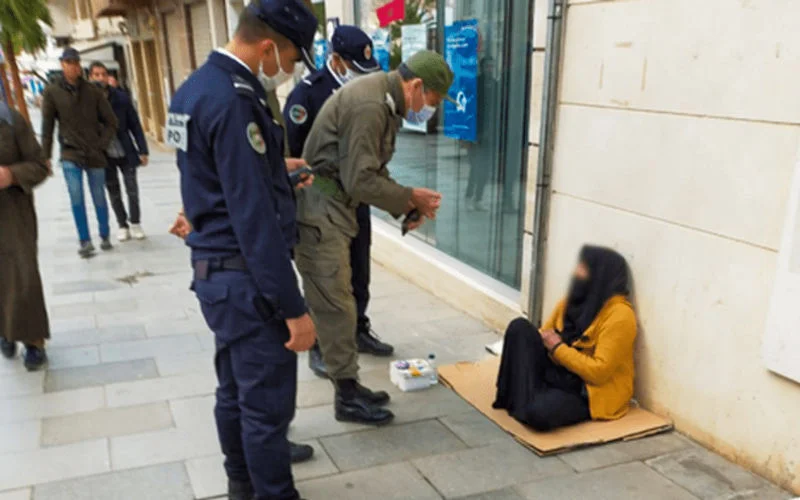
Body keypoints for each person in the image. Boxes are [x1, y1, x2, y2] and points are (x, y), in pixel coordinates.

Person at [168, 1, 318, 498]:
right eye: (293, 56)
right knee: (266, 410)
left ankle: (241, 485)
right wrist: (293, 309)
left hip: (215, 273)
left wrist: (277, 170)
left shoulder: (193, 89)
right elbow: (253, 219)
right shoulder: (235, 101)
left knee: (233, 392)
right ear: (269, 46)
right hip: (247, 280)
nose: (291, 68)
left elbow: (206, 177)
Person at [296, 50, 453, 425]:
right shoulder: (371, 105)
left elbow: (367, 173)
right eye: (431, 100)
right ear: (416, 86)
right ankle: (346, 396)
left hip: (335, 208)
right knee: (336, 305)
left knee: (342, 301)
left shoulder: (385, 101)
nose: (429, 109)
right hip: (322, 210)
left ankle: (348, 385)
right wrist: (409, 197)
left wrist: (406, 205)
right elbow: (361, 180)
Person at [283, 24, 392, 379]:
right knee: (325, 277)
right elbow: (294, 153)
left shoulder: (368, 94)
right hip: (320, 200)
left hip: (355, 195)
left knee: (358, 268)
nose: (360, 76)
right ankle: (320, 345)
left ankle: (358, 328)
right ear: (336, 61)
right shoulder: (308, 95)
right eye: (354, 68)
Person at [493, 245, 637, 431]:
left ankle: (526, 399)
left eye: (583, 268)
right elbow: (543, 337)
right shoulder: (572, 301)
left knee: (539, 413)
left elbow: (599, 373)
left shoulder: (620, 316)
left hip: (587, 390)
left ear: (600, 275)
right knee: (519, 328)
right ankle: (526, 398)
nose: (576, 272)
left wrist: (558, 348)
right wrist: (550, 346)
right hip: (559, 371)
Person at [41, 48, 119, 258]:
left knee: (99, 196)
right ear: (62, 64)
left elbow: (111, 121)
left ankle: (104, 234)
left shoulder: (93, 91)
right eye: (68, 62)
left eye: (75, 62)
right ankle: (84, 240)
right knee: (76, 197)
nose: (72, 66)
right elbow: (47, 127)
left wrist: (102, 144)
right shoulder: (52, 91)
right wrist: (45, 157)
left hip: (94, 152)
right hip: (70, 152)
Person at [0, 101, 51, 370]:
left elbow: (40, 165)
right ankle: (6, 331)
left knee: (22, 273)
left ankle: (33, 340)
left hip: (13, 214)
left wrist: (11, 175)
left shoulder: (10, 120)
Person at [88, 62, 150, 242]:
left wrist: (143, 150)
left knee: (132, 189)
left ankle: (136, 222)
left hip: (125, 150)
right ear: (91, 77)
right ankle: (122, 224)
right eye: (96, 75)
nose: (101, 78)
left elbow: (135, 124)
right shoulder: (88, 101)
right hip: (104, 153)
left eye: (103, 74)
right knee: (113, 191)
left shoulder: (121, 98)